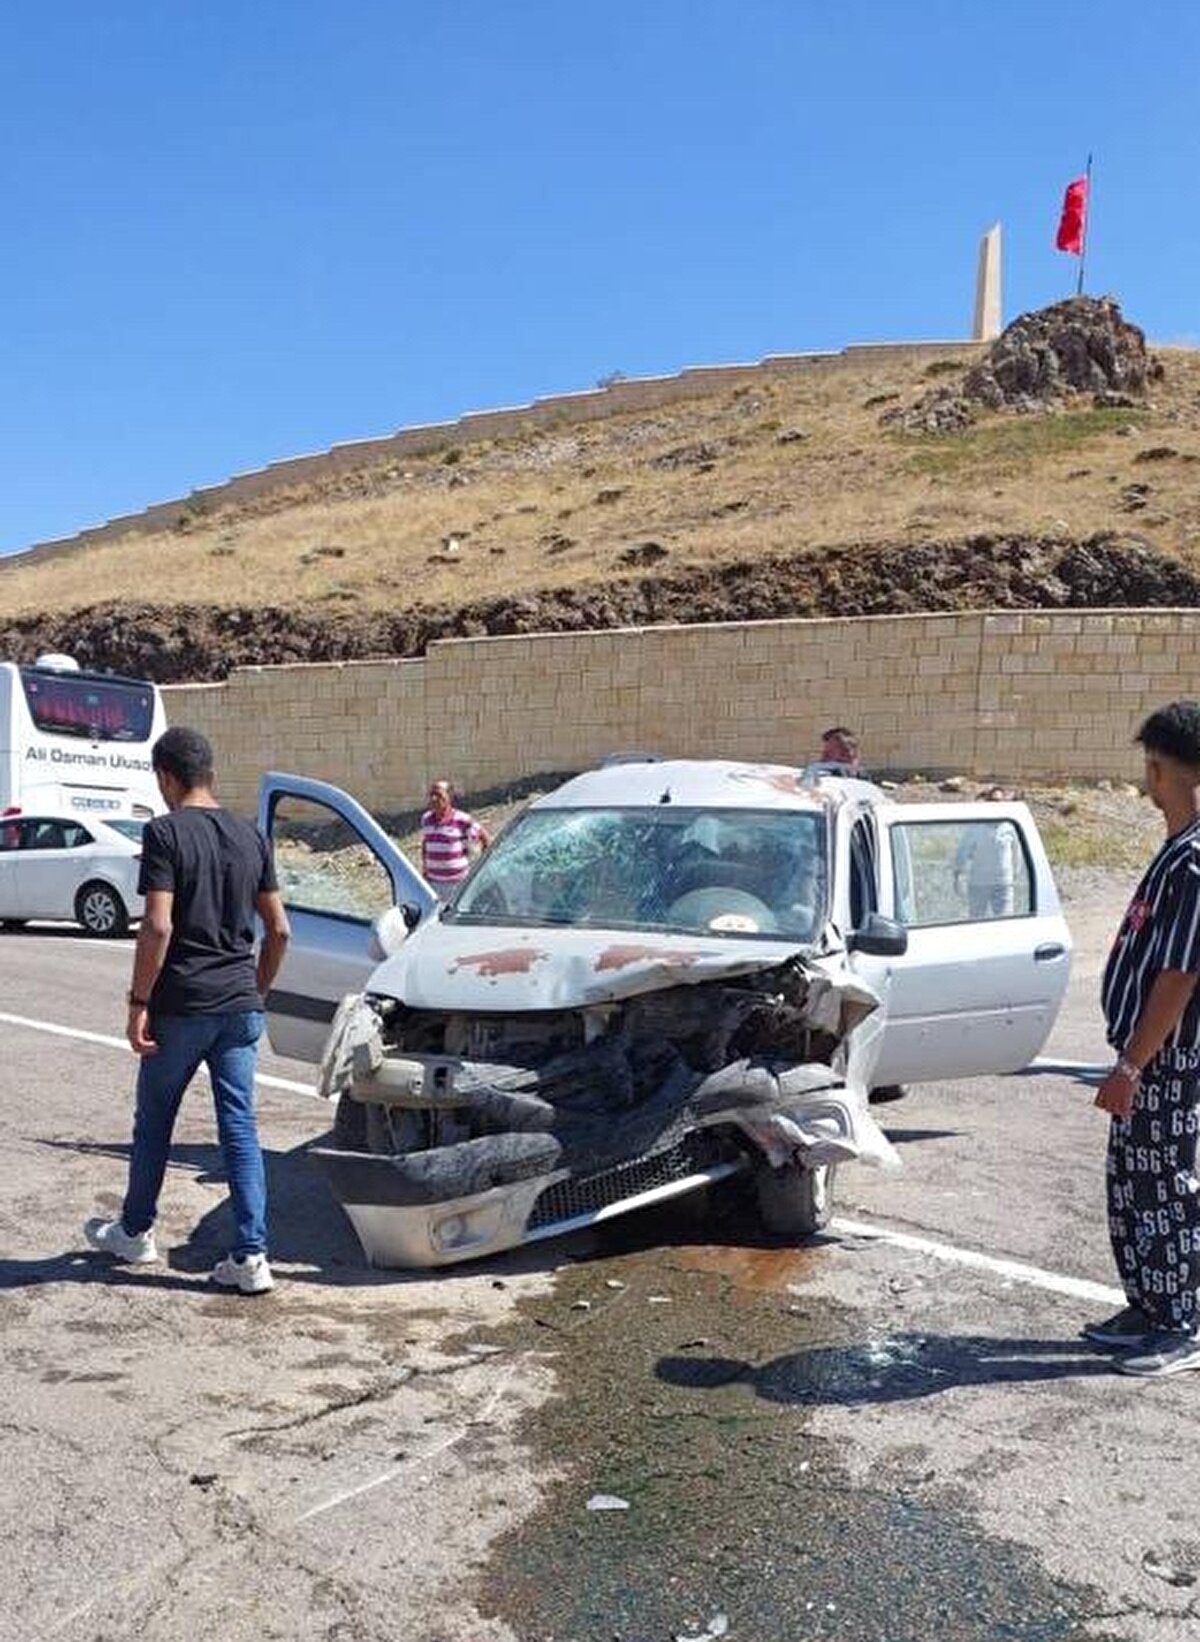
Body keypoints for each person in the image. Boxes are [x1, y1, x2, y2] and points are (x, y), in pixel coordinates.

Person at [83, 727, 291, 1295]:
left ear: (168, 778)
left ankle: (135, 1231)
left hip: (182, 1006)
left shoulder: (165, 833)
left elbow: (157, 925)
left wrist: (138, 1003)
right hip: (238, 1006)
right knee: (240, 1130)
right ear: (211, 775)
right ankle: (251, 1257)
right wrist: (258, 991)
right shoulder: (252, 837)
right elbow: (279, 929)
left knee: (154, 1124)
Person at [1086, 701, 1200, 1376]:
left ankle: (1182, 1323)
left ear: (1164, 771)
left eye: (1149, 770)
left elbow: (1179, 976)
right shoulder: (1176, 850)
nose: (1144, 783)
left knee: (1167, 1188)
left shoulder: (1195, 862)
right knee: (1133, 1184)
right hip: (1145, 1057)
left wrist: (1131, 1066)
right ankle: (1149, 1307)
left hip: (1167, 1059)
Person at [421, 779, 491, 898]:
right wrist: (425, 867)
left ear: (450, 797)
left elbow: (484, 837)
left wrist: (483, 865)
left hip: (457, 884)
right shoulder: (426, 819)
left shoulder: (462, 819)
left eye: (438, 795)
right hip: (433, 883)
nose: (434, 799)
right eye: (431, 795)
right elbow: (426, 843)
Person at [953, 816, 1017, 917]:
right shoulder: (975, 828)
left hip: (1003, 882)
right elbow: (962, 852)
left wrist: (1015, 874)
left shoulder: (1010, 827)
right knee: (977, 919)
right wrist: (958, 874)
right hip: (979, 883)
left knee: (1006, 919)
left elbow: (1016, 853)